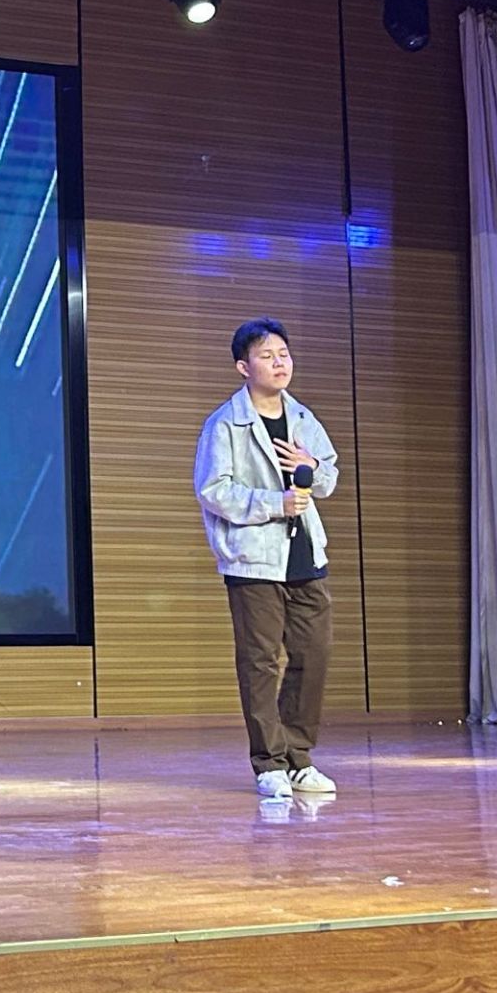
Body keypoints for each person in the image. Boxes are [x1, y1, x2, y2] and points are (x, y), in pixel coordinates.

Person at [194, 318, 341, 800]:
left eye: (284, 354)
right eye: (267, 356)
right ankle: (269, 764)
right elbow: (214, 490)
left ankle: (299, 758)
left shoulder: (302, 417)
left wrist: (312, 467)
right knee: (260, 662)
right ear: (243, 367)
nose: (280, 363)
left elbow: (328, 475)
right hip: (252, 559)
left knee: (313, 655)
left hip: (305, 554)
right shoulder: (225, 424)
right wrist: (274, 503)